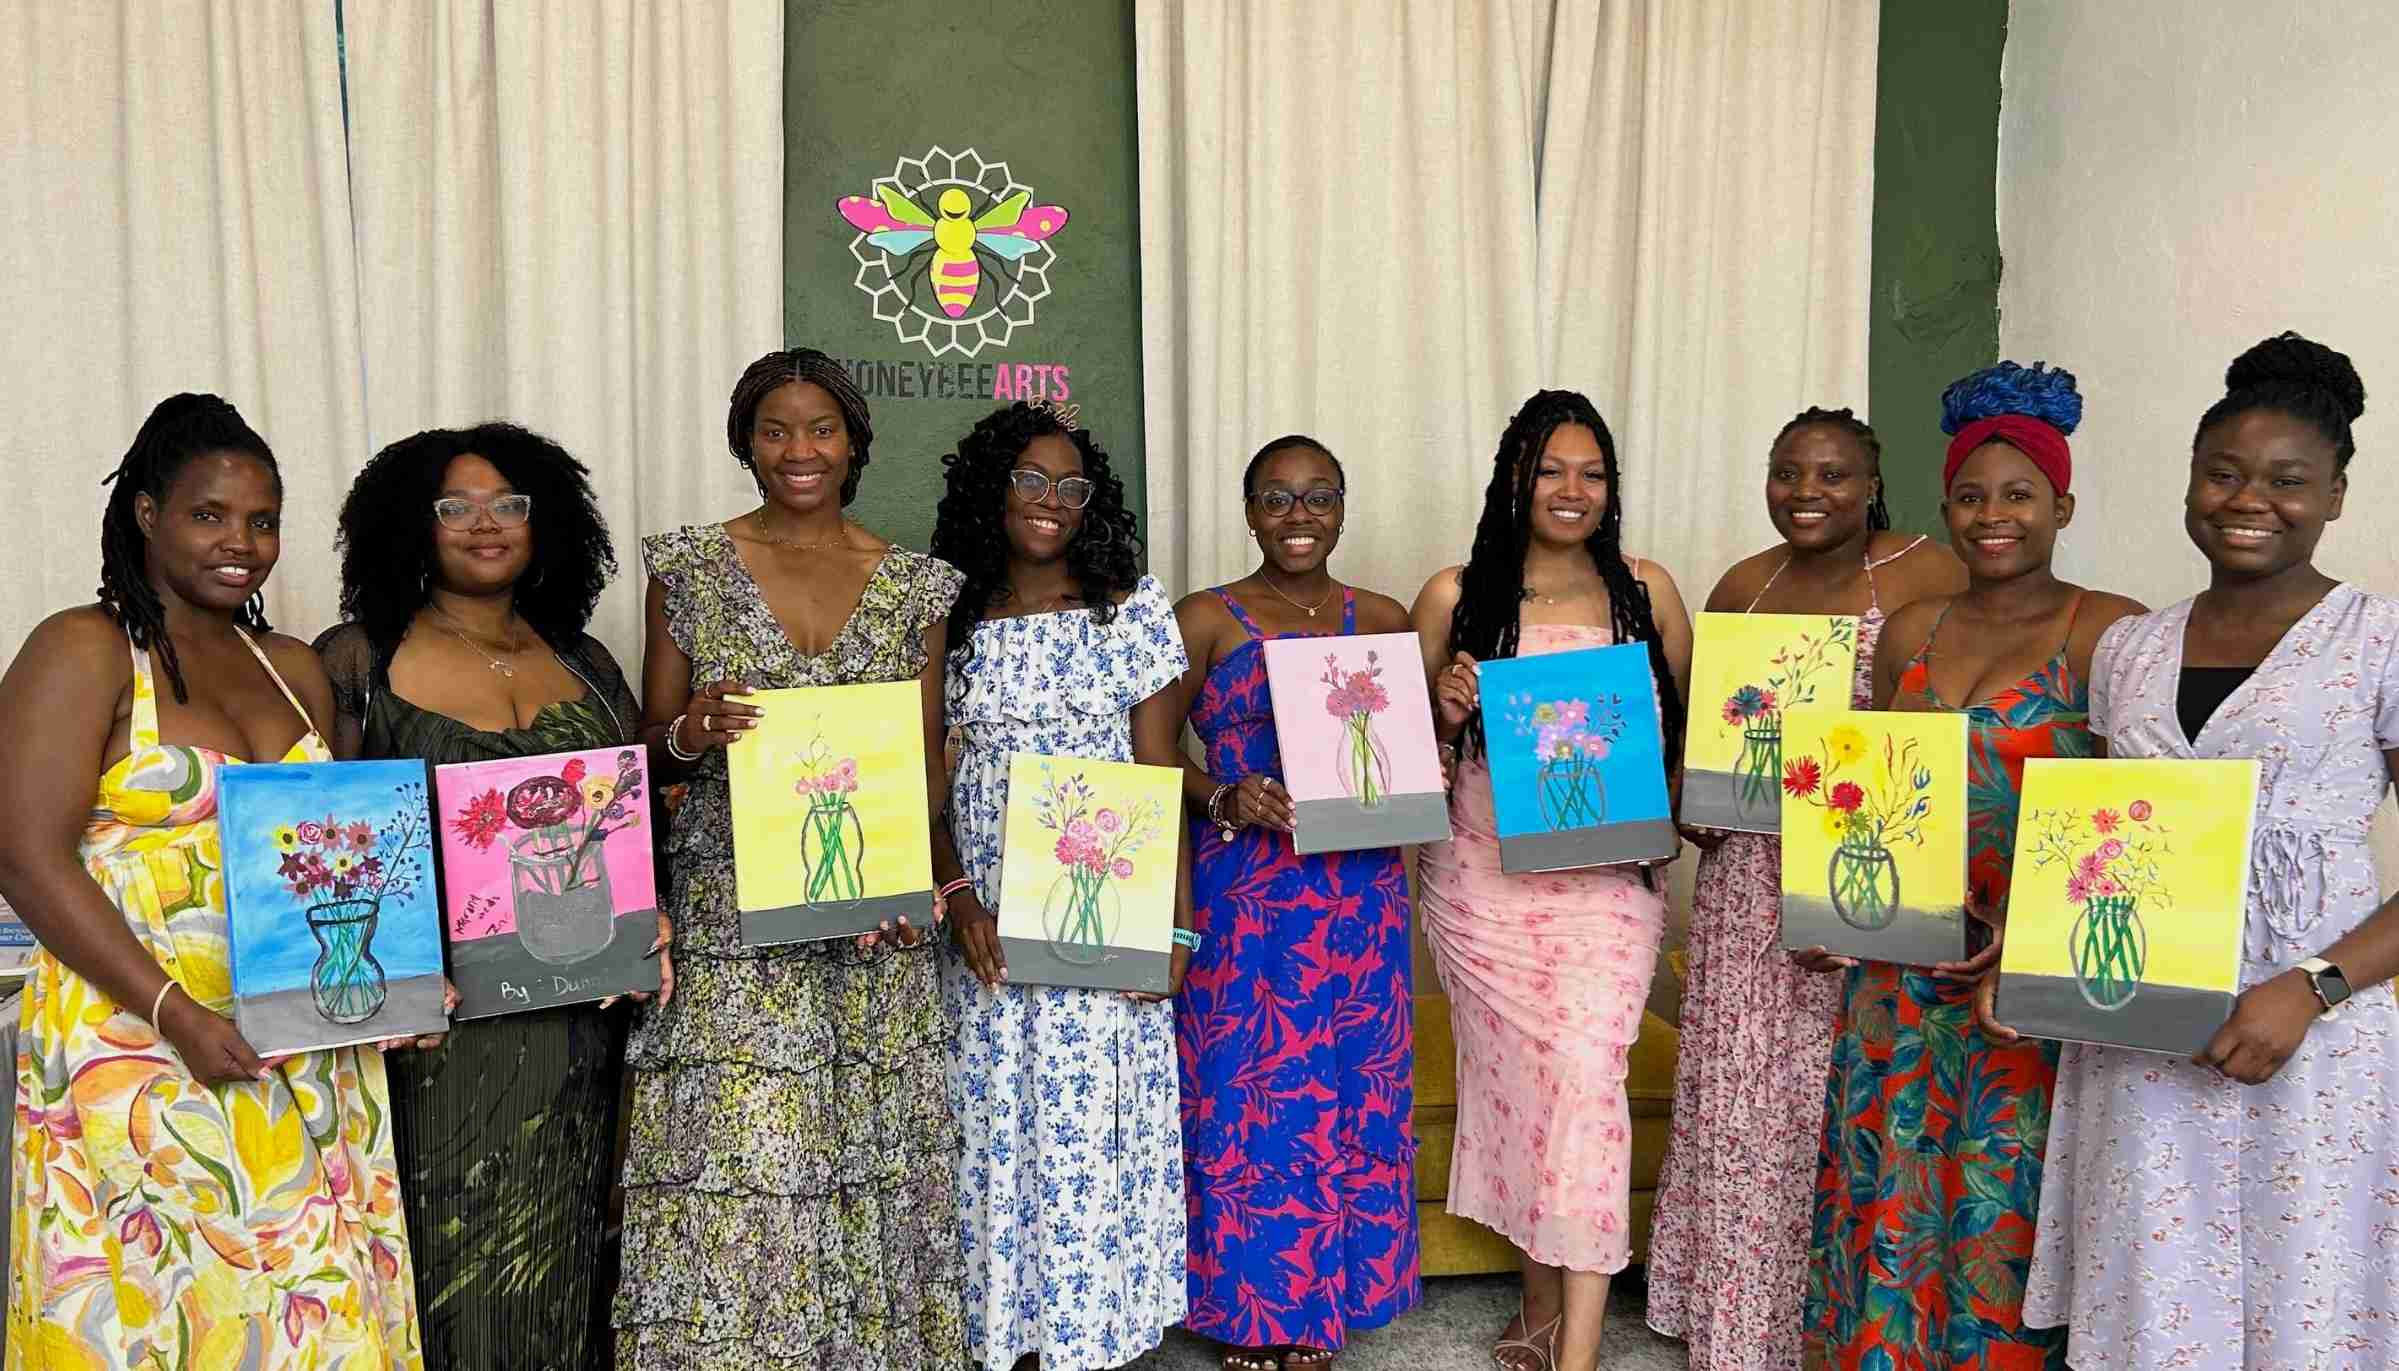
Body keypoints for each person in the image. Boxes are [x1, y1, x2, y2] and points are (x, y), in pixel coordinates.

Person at [0, 395, 422, 1365]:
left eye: (263, 521)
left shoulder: (292, 670)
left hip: (305, 1039)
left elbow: (343, 856)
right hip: (141, 1040)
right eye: (209, 515)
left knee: (314, 1314)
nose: (243, 543)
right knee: (167, 1315)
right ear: (146, 514)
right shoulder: (86, 648)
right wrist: (176, 1011)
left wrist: (402, 978)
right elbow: (23, 854)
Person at [2023, 333, 2399, 1367]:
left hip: (2308, 1028)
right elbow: (2101, 844)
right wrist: (2038, 973)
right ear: (2189, 482)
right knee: (2155, 1296)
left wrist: (2309, 987)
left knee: (2304, 1303)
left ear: (2333, 496)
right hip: (2138, 1027)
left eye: (2286, 481)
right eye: (2222, 473)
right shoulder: (2131, 647)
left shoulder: (2379, 640)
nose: (2248, 500)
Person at [611, 349, 968, 1368]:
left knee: (864, 1145)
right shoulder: (687, 567)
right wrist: (691, 732)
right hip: (732, 912)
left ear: (853, 443)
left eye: (819, 429)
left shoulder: (915, 587)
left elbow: (923, 761)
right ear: (745, 444)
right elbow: (647, 745)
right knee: (742, 1152)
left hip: (871, 919)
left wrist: (917, 882)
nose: (798, 450)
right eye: (775, 430)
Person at [1801, 362, 2142, 1370]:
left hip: (2023, 989)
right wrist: (1835, 907)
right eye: (1968, 496)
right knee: (1888, 1184)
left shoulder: (2108, 631)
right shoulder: (1910, 630)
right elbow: (1872, 790)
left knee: (2003, 1201)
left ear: (2060, 505)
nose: (1991, 516)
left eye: (2016, 495)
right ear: (1943, 508)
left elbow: (2137, 818)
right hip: (1898, 979)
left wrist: (2026, 938)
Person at [315, 422, 661, 1367]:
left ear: (544, 522)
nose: (485, 524)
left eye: (509, 503)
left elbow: (634, 828)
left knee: (562, 1275)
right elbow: (322, 841)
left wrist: (649, 915)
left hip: (579, 1028)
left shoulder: (585, 661)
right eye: (454, 506)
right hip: (433, 1041)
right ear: (410, 526)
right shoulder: (357, 658)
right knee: (443, 1277)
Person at [1646, 407, 1963, 1371]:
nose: (1806, 492)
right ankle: (1741, 1320)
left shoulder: (1929, 571)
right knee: (1745, 1096)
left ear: (1870, 481)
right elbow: (1712, 731)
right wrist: (1695, 799)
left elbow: (1942, 727)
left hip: (1867, 871)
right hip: (1748, 873)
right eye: (1787, 473)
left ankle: (1838, 1318)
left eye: (1830, 474)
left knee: (1844, 1088)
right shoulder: (1745, 583)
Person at [1409, 389, 1693, 1371]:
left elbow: (1680, 746)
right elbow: (1404, 776)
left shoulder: (1644, 594)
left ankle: (1575, 1352)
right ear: (1514, 480)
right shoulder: (1454, 597)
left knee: (1585, 1087)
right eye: (1550, 470)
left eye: (1591, 472)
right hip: (1479, 883)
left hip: (1605, 890)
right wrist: (1444, 714)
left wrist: (1658, 823)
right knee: (1523, 1097)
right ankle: (1534, 1314)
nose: (1571, 491)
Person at [928, 399, 1193, 1371]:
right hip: (986, 918)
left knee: (1086, 1130)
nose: (1050, 501)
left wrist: (1178, 934)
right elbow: (919, 781)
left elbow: (1158, 771)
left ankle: (1084, 1339)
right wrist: (957, 897)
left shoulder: (1130, 609)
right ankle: (1005, 1339)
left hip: (1098, 904)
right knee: (990, 1125)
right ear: (992, 490)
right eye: (1030, 481)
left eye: (1069, 486)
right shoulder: (942, 614)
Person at [1163, 436, 1423, 1371]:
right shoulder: (1204, 617)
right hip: (1249, 888)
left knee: (1352, 1081)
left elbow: (1407, 752)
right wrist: (1225, 796)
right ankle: (1250, 1308)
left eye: (1317, 497)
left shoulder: (1385, 617)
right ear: (1247, 510)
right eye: (1277, 498)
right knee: (1249, 1089)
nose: (1298, 515)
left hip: (1359, 893)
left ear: (1343, 506)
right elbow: (1148, 751)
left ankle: (1328, 1300)